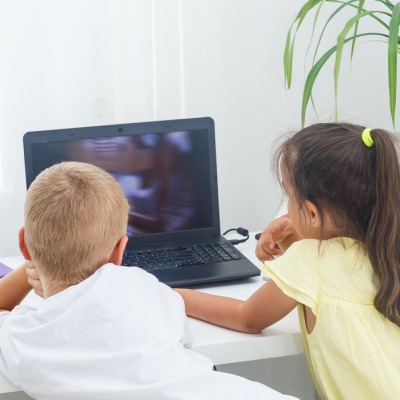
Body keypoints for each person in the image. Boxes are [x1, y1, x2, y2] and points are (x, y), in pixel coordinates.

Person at [0, 161, 296, 400]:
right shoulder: (141, 287)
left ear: (23, 246)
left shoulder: (23, 339)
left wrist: (35, 260)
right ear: (119, 252)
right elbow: (182, 335)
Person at [176, 123, 400, 400]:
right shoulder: (388, 247)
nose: (287, 206)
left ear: (312, 212)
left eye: (288, 195)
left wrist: (172, 294)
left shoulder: (309, 261)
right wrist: (294, 228)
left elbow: (247, 319)